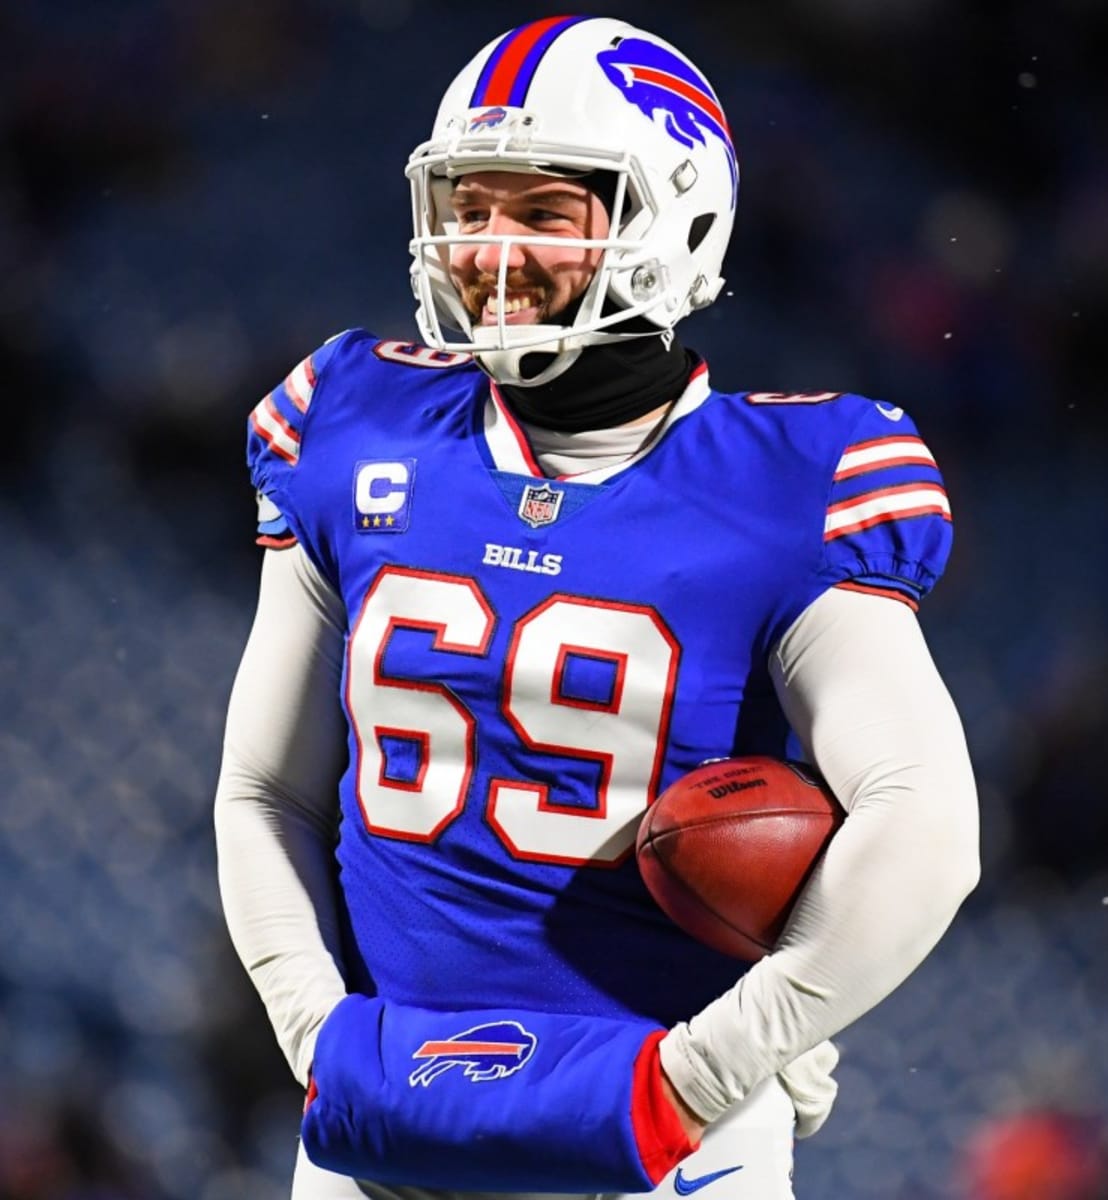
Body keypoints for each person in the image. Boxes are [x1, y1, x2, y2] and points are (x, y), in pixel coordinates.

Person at [214, 14, 980, 1200]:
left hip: (659, 1141)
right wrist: (318, 1036)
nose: (490, 248)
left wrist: (721, 1062)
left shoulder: (794, 481)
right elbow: (267, 790)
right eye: (470, 207)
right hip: (388, 1124)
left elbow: (926, 821)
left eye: (544, 212)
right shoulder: (347, 420)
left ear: (671, 223)